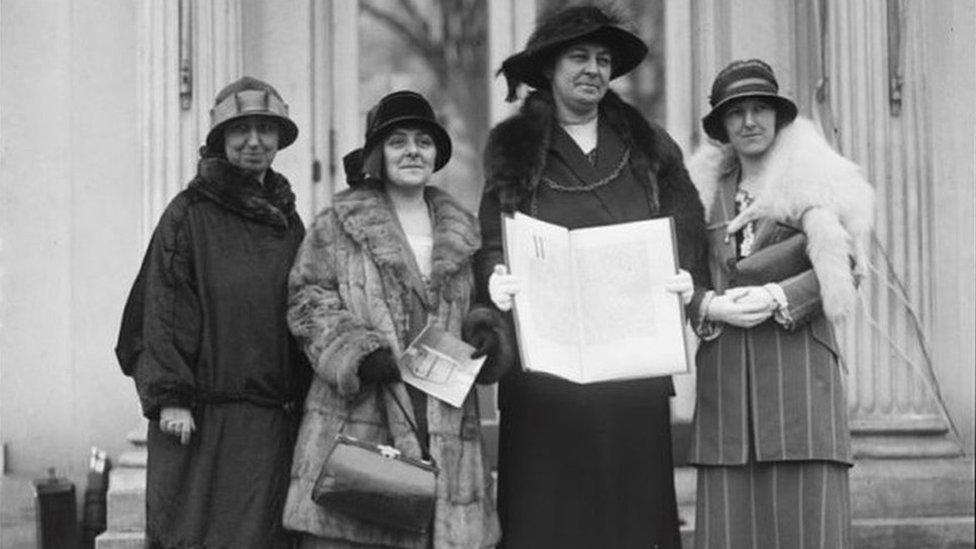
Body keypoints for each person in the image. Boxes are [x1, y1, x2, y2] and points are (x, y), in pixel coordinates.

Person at [477, 5, 710, 548]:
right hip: (545, 375)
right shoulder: (515, 148)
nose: (593, 70)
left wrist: (683, 276)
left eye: (603, 59)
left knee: (627, 518)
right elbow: (492, 239)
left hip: (630, 370)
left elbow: (687, 227)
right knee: (550, 519)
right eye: (579, 57)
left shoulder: (650, 147)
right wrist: (495, 278)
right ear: (551, 69)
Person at [283, 90, 504, 548]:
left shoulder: (461, 229)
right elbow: (307, 300)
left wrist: (484, 327)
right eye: (397, 141)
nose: (412, 151)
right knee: (364, 532)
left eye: (423, 142)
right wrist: (356, 353)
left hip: (441, 409)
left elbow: (479, 299)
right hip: (364, 409)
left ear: (436, 155)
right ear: (377, 155)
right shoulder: (337, 224)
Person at [685, 59, 874, 548]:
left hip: (800, 385)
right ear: (723, 126)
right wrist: (707, 306)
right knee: (729, 532)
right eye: (736, 113)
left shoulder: (816, 182)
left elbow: (846, 265)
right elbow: (682, 279)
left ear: (778, 117)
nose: (749, 121)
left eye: (760, 109)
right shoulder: (701, 198)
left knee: (807, 530)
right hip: (727, 384)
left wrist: (779, 296)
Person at [115, 76, 310, 548]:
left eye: (266, 129)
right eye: (241, 130)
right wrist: (171, 396)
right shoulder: (187, 214)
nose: (254, 142)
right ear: (220, 139)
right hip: (199, 421)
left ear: (279, 140)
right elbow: (160, 306)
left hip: (268, 424)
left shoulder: (288, 222)